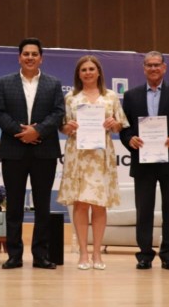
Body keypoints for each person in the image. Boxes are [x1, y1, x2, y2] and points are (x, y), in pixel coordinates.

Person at [0, 37, 65, 270]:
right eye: (26, 54)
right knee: (13, 205)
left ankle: (40, 255)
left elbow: (58, 113)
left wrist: (38, 131)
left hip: (45, 151)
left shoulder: (53, 83)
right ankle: (14, 255)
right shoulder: (5, 82)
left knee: (42, 205)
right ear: (19, 57)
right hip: (14, 150)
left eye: (34, 54)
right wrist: (21, 132)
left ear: (41, 58)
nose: (30, 57)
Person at [120, 51, 169, 271]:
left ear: (164, 67)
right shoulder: (131, 96)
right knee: (144, 211)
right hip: (142, 162)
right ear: (144, 68)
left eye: (157, 65)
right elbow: (124, 128)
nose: (153, 68)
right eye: (149, 65)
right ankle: (144, 255)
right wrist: (130, 139)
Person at [58, 55, 128, 270]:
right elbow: (62, 127)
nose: (88, 73)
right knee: (80, 204)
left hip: (101, 155)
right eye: (84, 70)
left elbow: (120, 125)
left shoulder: (111, 96)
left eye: (91, 69)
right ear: (78, 74)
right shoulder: (71, 97)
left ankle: (97, 253)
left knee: (99, 204)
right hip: (78, 155)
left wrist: (113, 123)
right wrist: (68, 127)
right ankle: (83, 253)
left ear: (98, 72)